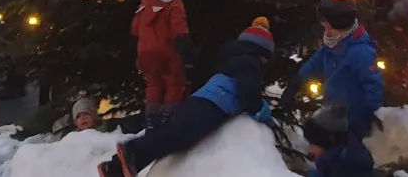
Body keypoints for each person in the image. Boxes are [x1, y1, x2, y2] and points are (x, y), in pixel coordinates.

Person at [98, 17, 278, 177]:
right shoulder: (250, 62)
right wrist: (261, 112)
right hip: (212, 105)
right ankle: (131, 151)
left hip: (201, 100)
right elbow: (248, 92)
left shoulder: (231, 59)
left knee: (171, 136)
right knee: (175, 135)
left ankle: (114, 168)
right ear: (262, 52)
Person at [288, 0, 383, 139]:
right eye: (324, 27)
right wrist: (298, 80)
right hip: (333, 113)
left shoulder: (360, 52)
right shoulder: (334, 43)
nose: (326, 32)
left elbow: (373, 85)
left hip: (353, 120)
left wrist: (368, 115)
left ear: (342, 24)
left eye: (329, 28)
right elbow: (316, 62)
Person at [133, 0, 192, 128]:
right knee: (174, 82)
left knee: (153, 84)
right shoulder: (174, 2)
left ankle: (153, 119)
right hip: (167, 51)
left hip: (144, 51)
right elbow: (180, 29)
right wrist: (186, 49)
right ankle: (170, 119)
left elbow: (135, 28)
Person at [302, 101, 374, 177]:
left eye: (312, 144)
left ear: (326, 142)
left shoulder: (346, 167)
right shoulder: (334, 155)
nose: (309, 149)